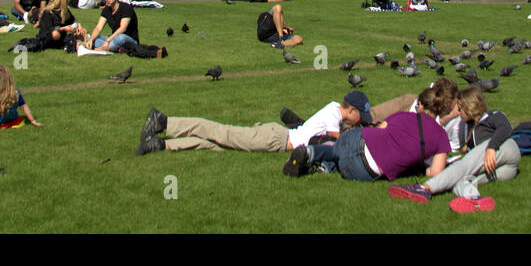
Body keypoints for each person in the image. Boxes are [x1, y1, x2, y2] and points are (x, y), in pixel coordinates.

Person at [388, 85, 520, 210]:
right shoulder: (469, 127)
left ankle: (425, 188)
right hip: (503, 169)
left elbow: (505, 128)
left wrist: (491, 147)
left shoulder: (493, 116)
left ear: (469, 107)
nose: (458, 112)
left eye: (460, 108)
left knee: (464, 166)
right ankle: (475, 199)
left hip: (507, 149)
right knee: (461, 179)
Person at [282, 85, 451, 182]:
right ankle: (323, 167)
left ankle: (311, 152)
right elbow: (435, 172)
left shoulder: (402, 116)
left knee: (337, 149)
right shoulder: (441, 137)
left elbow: (380, 130)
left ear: (420, 105)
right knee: (343, 160)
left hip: (359, 142)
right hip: (362, 172)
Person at [136, 90, 373, 156]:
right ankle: (165, 122)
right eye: (359, 117)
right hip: (276, 139)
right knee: (220, 131)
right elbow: (340, 140)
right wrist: (370, 135)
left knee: (217, 145)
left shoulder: (336, 112)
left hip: (275, 136)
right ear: (351, 110)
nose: (359, 121)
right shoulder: (334, 113)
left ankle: (161, 145)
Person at [84, 0, 166, 57]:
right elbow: (98, 28)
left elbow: (123, 28)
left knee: (121, 38)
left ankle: (106, 49)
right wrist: (91, 40)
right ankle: (114, 48)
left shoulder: (126, 8)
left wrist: (108, 40)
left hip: (129, 39)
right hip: (113, 38)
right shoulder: (106, 10)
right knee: (95, 39)